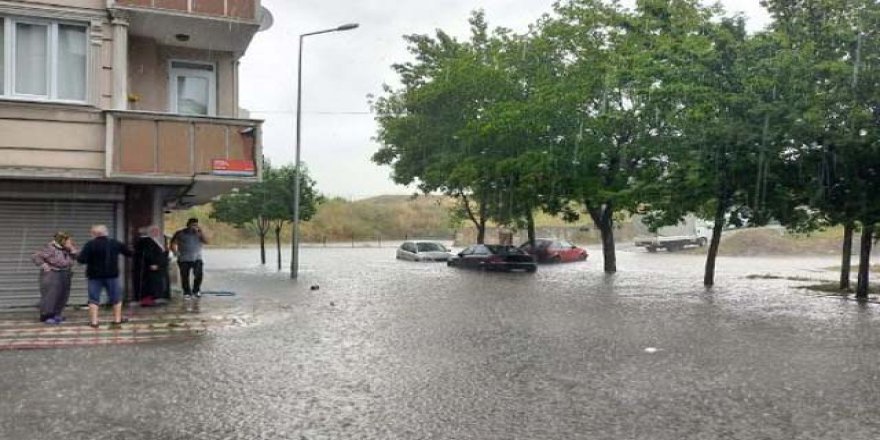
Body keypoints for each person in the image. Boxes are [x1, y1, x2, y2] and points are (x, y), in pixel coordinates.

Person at [77, 225, 132, 328]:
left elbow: (81, 260)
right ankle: (117, 320)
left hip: (94, 276)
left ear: (94, 234)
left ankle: (94, 322)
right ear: (106, 233)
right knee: (116, 298)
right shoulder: (115, 243)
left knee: (93, 299)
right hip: (112, 275)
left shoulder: (90, 244)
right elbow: (129, 253)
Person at [31, 232, 78, 324]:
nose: (70, 242)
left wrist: (72, 249)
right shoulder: (50, 248)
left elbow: (78, 257)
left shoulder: (68, 249)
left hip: (65, 273)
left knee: (63, 295)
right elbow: (36, 256)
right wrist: (43, 265)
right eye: (68, 240)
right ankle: (46, 316)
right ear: (62, 240)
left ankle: (57, 314)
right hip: (53, 273)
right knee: (51, 295)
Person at [133, 225, 170, 307]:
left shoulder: (155, 240)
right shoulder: (146, 241)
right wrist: (153, 263)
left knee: (156, 284)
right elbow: (148, 254)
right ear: (151, 232)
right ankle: (147, 300)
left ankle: (155, 298)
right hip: (152, 267)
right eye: (155, 231)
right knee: (150, 284)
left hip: (159, 267)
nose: (157, 233)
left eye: (157, 231)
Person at [171, 218, 208, 299]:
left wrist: (201, 232)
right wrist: (175, 252)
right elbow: (173, 243)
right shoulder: (180, 233)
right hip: (184, 258)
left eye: (196, 225)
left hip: (197, 258)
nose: (194, 227)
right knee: (184, 276)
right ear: (188, 225)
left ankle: (196, 290)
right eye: (192, 225)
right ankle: (187, 292)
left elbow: (206, 241)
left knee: (198, 275)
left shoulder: (199, 233)